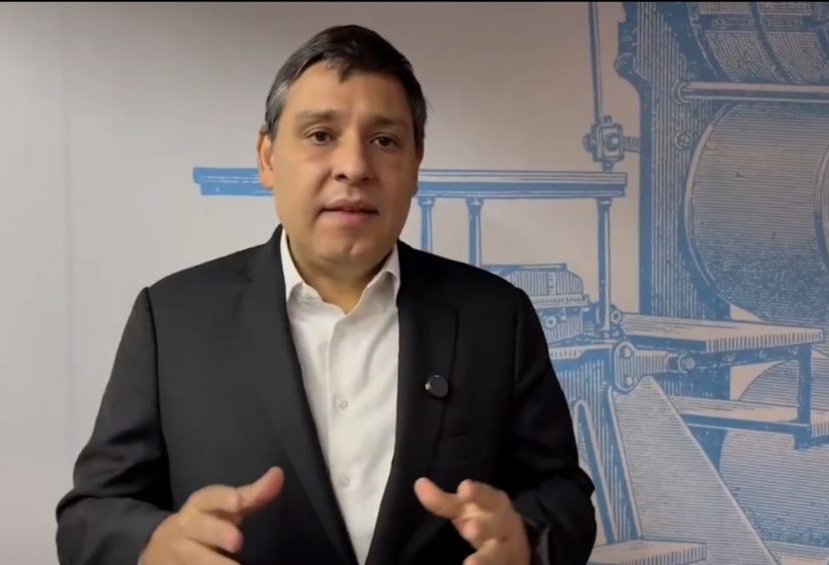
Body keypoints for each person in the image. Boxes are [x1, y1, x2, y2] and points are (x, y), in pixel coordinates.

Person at [55, 23, 597, 565]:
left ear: (415, 164)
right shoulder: (173, 319)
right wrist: (151, 545)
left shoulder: (496, 317)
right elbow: (90, 514)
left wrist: (527, 540)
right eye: (320, 135)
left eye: (384, 141)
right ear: (267, 157)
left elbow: (564, 496)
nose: (354, 167)